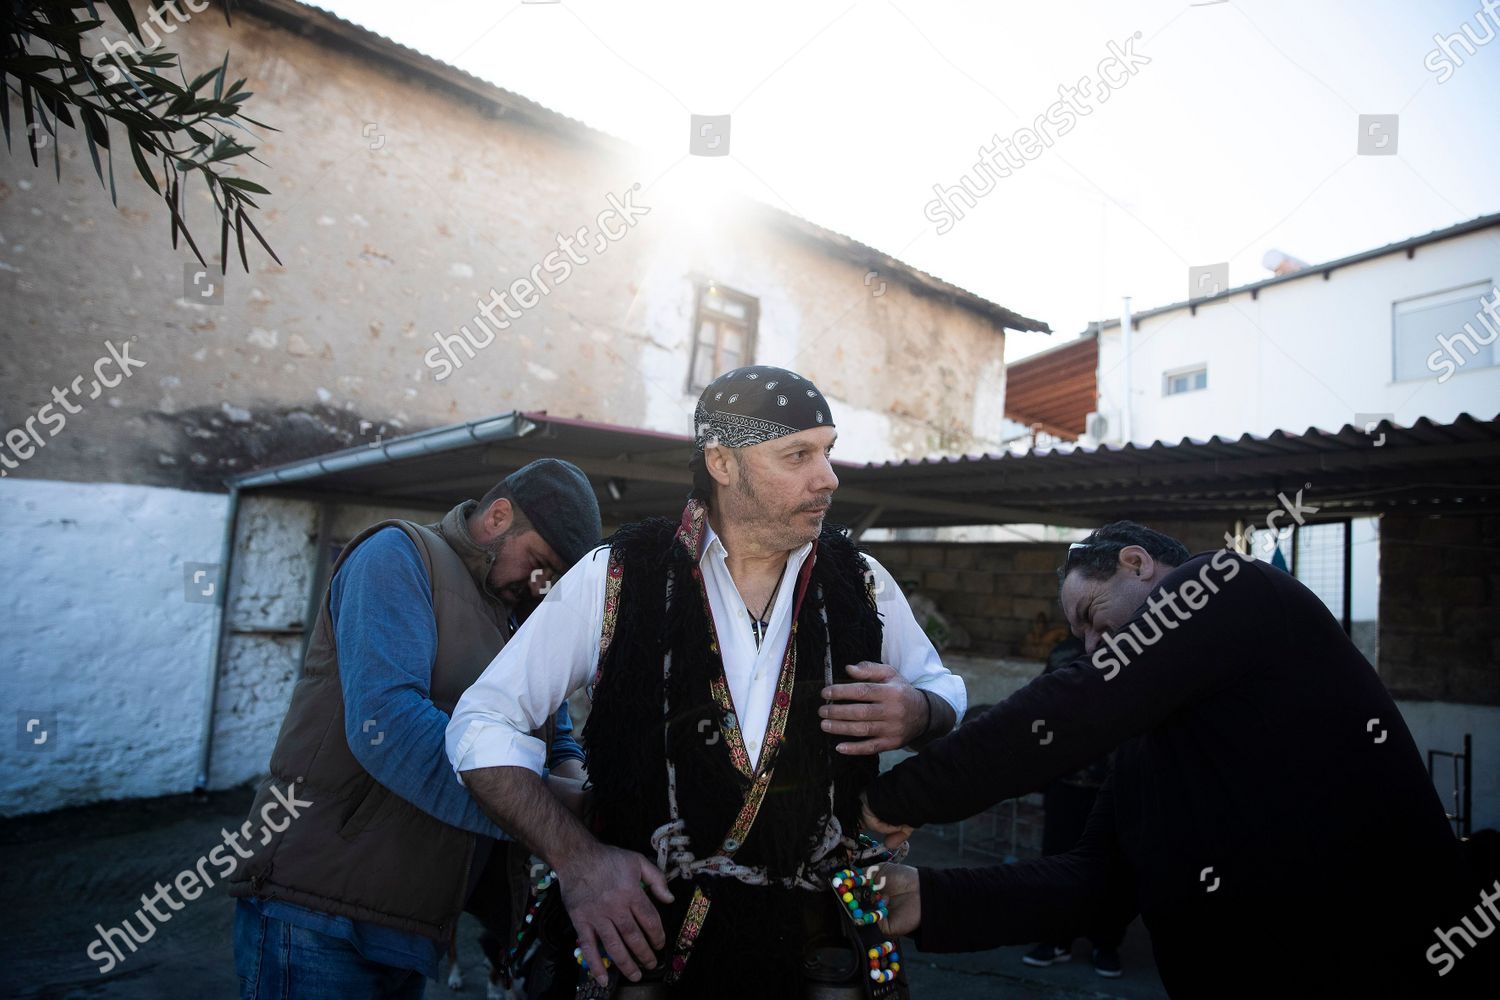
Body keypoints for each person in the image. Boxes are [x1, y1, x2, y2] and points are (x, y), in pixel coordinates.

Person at [445, 365, 967, 997]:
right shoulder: (616, 575)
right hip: (646, 939)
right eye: (796, 454)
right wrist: (578, 861)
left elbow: (943, 687)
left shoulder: (862, 580)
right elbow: (483, 722)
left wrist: (921, 711)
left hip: (817, 950)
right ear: (723, 462)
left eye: (827, 451)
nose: (827, 476)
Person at [864, 520, 1488, 996]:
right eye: (1078, 636)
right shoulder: (1147, 743)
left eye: (1091, 615)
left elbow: (1074, 705)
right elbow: (1099, 883)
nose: (1089, 646)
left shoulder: (1229, 583)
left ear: (1136, 565)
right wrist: (928, 899)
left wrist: (891, 801)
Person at [229, 459, 603, 1000]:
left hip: (412, 921)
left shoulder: (518, 616)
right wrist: (557, 815)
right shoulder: (397, 557)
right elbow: (389, 725)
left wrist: (587, 793)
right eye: (540, 564)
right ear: (498, 517)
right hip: (319, 913)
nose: (542, 587)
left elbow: (557, 735)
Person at [1020, 637, 1129, 979]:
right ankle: (1056, 939)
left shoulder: (1145, 646)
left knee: (1115, 865)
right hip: (1067, 782)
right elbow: (1040, 704)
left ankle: (1106, 943)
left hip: (1118, 785)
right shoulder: (1066, 653)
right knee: (1057, 860)